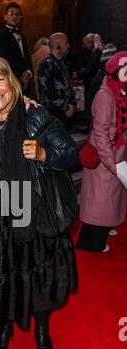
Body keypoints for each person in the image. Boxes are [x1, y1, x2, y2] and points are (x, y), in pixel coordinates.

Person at [0, 54, 78, 349]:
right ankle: (3, 327)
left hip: (35, 215)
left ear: (11, 81)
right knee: (3, 274)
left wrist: (44, 154)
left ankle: (41, 330)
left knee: (38, 276)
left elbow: (69, 152)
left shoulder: (35, 115)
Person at [76, 51, 127, 252]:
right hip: (105, 156)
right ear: (116, 72)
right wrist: (110, 162)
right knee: (100, 201)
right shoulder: (106, 95)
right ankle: (91, 242)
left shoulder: (120, 91)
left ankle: (105, 226)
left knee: (111, 198)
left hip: (117, 154)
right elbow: (101, 132)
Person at [38, 32, 75, 128]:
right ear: (58, 46)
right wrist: (66, 107)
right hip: (53, 113)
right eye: (66, 43)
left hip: (63, 113)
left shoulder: (61, 63)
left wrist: (71, 103)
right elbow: (48, 92)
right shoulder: (46, 64)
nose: (68, 46)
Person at [0, 2, 33, 94]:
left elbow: (27, 57)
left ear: (20, 18)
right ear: (5, 17)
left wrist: (28, 73)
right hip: (10, 79)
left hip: (25, 82)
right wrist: (19, 78)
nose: (14, 16)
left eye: (17, 14)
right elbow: (4, 60)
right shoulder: (0, 36)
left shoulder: (22, 37)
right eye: (11, 14)